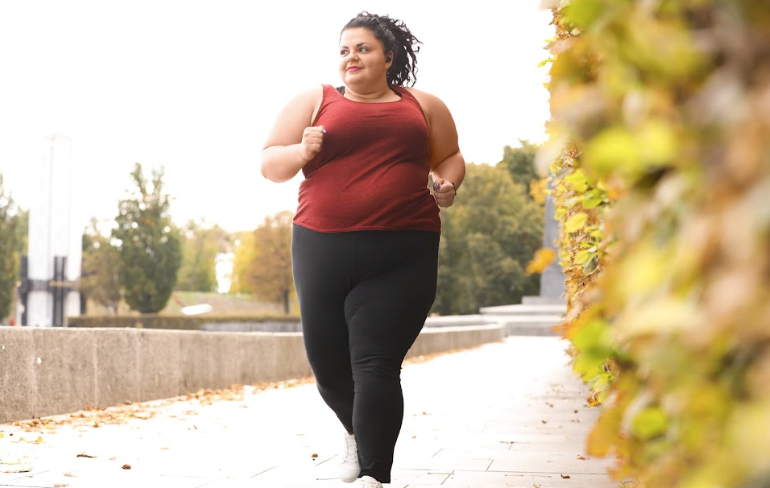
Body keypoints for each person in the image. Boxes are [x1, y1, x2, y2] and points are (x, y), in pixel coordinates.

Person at [260, 11, 465, 488]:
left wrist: (447, 184)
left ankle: (375, 474)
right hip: (320, 247)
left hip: (404, 249)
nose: (351, 57)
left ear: (388, 56)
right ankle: (355, 436)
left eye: (363, 48)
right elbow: (270, 163)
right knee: (329, 369)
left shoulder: (424, 105)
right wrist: (301, 152)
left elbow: (450, 156)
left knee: (375, 363)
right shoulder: (314, 102)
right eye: (344, 50)